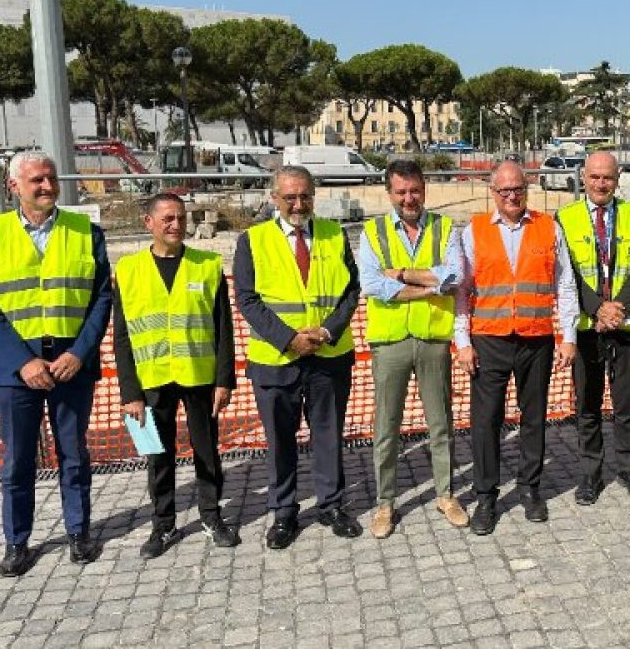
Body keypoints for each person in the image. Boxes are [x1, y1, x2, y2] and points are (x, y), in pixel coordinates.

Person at [0, 151, 112, 576]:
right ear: (13, 187)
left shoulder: (86, 232)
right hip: (15, 369)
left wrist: (78, 353)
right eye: (36, 180)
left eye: (51, 178)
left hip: (70, 364)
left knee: (74, 453)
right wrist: (22, 363)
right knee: (18, 459)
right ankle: (17, 542)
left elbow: (101, 299)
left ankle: (79, 532)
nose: (47, 186)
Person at [233, 165, 362, 549]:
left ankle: (331, 505)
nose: (298, 204)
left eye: (305, 195)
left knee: (328, 435)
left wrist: (326, 332)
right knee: (280, 441)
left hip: (329, 354)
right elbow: (247, 299)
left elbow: (351, 291)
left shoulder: (335, 234)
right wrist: (289, 340)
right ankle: (284, 512)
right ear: (275, 198)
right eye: (290, 197)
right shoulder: (252, 240)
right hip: (276, 360)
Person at [113, 193, 240, 559]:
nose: (176, 225)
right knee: (158, 455)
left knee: (206, 450)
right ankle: (163, 523)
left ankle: (211, 516)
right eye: (168, 218)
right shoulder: (129, 270)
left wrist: (224, 380)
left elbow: (223, 328)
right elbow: (122, 335)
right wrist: (130, 393)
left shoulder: (207, 265)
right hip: (151, 379)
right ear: (148, 222)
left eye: (181, 218)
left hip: (198, 377)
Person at [455, 161, 578, 535]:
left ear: (527, 189)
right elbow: (462, 290)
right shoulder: (474, 231)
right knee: (485, 421)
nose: (512, 196)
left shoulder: (548, 227)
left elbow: (565, 284)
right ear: (493, 192)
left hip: (535, 339)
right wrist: (463, 342)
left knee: (534, 417)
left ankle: (530, 488)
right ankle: (486, 497)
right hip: (488, 339)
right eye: (504, 190)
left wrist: (569, 336)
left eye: (518, 189)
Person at [358, 159, 468, 538]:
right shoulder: (372, 232)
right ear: (389, 193)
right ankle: (385, 503)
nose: (409, 198)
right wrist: (430, 287)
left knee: (441, 424)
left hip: (433, 338)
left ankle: (446, 495)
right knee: (386, 426)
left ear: (425, 190)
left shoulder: (444, 227)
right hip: (390, 342)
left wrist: (403, 275)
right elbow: (372, 284)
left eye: (415, 190)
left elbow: (455, 276)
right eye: (401, 192)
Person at [555, 151, 630, 505]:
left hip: (625, 324)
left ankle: (629, 468)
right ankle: (590, 473)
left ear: (617, 178)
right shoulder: (564, 218)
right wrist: (597, 308)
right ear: (583, 178)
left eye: (607, 177)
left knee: (627, 402)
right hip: (586, 327)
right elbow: (566, 273)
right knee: (588, 404)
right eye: (594, 177)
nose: (600, 183)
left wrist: (617, 308)